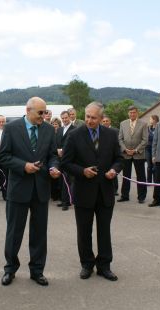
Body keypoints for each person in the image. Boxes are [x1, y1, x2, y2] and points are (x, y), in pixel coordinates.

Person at [0, 97, 60, 287]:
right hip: (18, 189)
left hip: (41, 189)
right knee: (14, 232)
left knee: (39, 233)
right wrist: (23, 166)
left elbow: (52, 156)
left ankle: (37, 270)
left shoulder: (49, 129)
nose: (44, 116)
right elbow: (3, 157)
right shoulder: (11, 128)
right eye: (40, 113)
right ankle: (10, 269)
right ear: (28, 110)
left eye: (45, 112)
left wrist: (53, 168)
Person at [61, 101, 123, 281]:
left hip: (105, 192)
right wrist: (82, 171)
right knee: (84, 231)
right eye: (87, 116)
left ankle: (104, 266)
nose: (89, 120)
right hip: (83, 191)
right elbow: (65, 163)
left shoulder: (112, 134)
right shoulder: (74, 135)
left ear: (102, 118)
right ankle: (87, 264)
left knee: (104, 231)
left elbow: (119, 159)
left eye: (93, 118)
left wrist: (114, 170)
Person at [118, 105, 148, 203]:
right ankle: (125, 195)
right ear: (128, 113)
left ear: (137, 113)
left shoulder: (143, 124)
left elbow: (145, 140)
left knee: (141, 176)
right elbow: (120, 138)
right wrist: (124, 149)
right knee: (126, 176)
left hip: (138, 154)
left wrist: (135, 150)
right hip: (126, 154)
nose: (132, 114)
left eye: (134, 112)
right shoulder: (123, 123)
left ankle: (141, 197)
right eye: (130, 112)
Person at [55, 111, 75, 211]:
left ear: (69, 117)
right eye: (62, 118)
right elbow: (56, 142)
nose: (64, 120)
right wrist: (57, 150)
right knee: (61, 180)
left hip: (69, 159)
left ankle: (66, 202)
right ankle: (63, 200)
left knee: (67, 181)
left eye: (66, 118)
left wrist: (64, 150)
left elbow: (75, 145)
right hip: (59, 159)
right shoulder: (59, 130)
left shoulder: (75, 129)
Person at [102, 115, 120, 195]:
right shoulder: (100, 130)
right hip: (104, 154)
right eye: (104, 121)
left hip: (113, 154)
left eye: (107, 121)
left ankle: (115, 189)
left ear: (110, 121)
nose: (105, 122)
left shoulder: (115, 130)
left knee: (113, 172)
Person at [145, 115, 159, 183]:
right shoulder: (147, 128)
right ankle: (149, 181)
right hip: (148, 148)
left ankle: (156, 181)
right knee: (149, 165)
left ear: (154, 120)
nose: (149, 120)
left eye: (150, 119)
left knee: (155, 166)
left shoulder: (159, 128)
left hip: (156, 149)